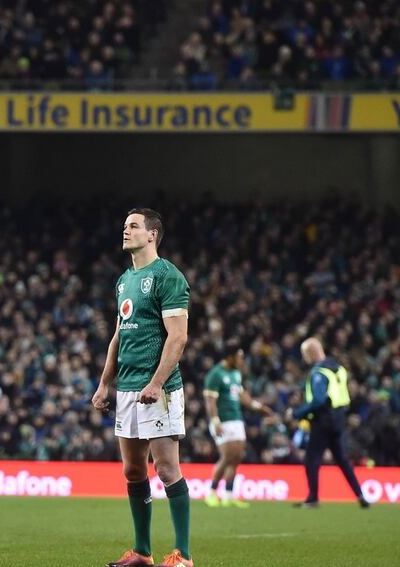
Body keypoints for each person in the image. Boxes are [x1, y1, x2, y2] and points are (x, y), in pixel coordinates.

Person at [92, 208, 193, 567]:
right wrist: (106, 383)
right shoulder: (123, 281)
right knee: (133, 472)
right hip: (128, 389)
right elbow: (119, 334)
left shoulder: (167, 276)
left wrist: (156, 382)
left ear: (152, 234)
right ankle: (142, 553)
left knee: (166, 470)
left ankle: (183, 555)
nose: (125, 230)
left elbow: (178, 337)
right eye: (124, 226)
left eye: (133, 226)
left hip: (159, 389)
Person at [289, 337, 369, 508]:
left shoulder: (319, 373)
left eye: (305, 354)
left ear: (311, 352)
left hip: (323, 420)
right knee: (342, 460)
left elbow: (318, 401)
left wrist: (298, 413)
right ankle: (360, 494)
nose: (305, 359)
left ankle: (313, 498)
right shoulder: (338, 369)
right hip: (339, 419)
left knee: (312, 459)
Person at [202, 343, 273, 508]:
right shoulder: (215, 374)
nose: (242, 360)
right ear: (230, 356)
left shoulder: (235, 373)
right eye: (239, 356)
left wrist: (258, 407)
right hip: (223, 419)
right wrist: (215, 421)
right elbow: (210, 401)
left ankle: (228, 495)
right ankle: (211, 493)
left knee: (236, 458)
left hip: (236, 419)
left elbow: (242, 396)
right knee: (226, 457)